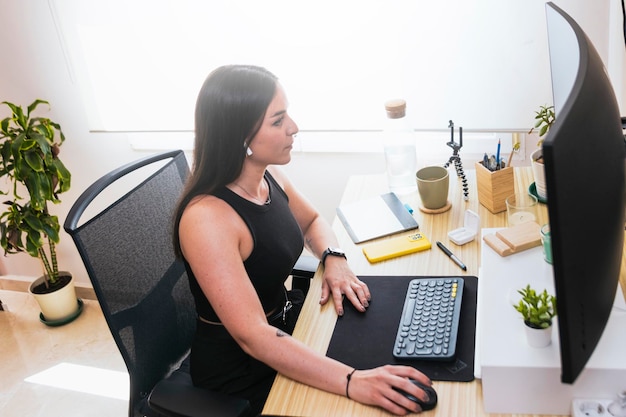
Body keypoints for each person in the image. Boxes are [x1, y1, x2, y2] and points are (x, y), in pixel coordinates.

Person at [172, 64, 432, 416]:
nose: (293, 128)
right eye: (278, 121)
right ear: (240, 137)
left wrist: (335, 260)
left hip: (288, 326)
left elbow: (311, 221)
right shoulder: (207, 220)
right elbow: (253, 336)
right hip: (241, 373)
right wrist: (353, 381)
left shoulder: (267, 175)